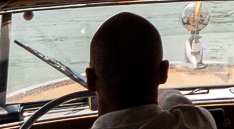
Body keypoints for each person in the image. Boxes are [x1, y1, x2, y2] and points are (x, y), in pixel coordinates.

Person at [87, 12, 216, 129]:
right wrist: (169, 96)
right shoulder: (196, 123)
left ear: (90, 79)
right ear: (163, 73)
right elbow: (185, 107)